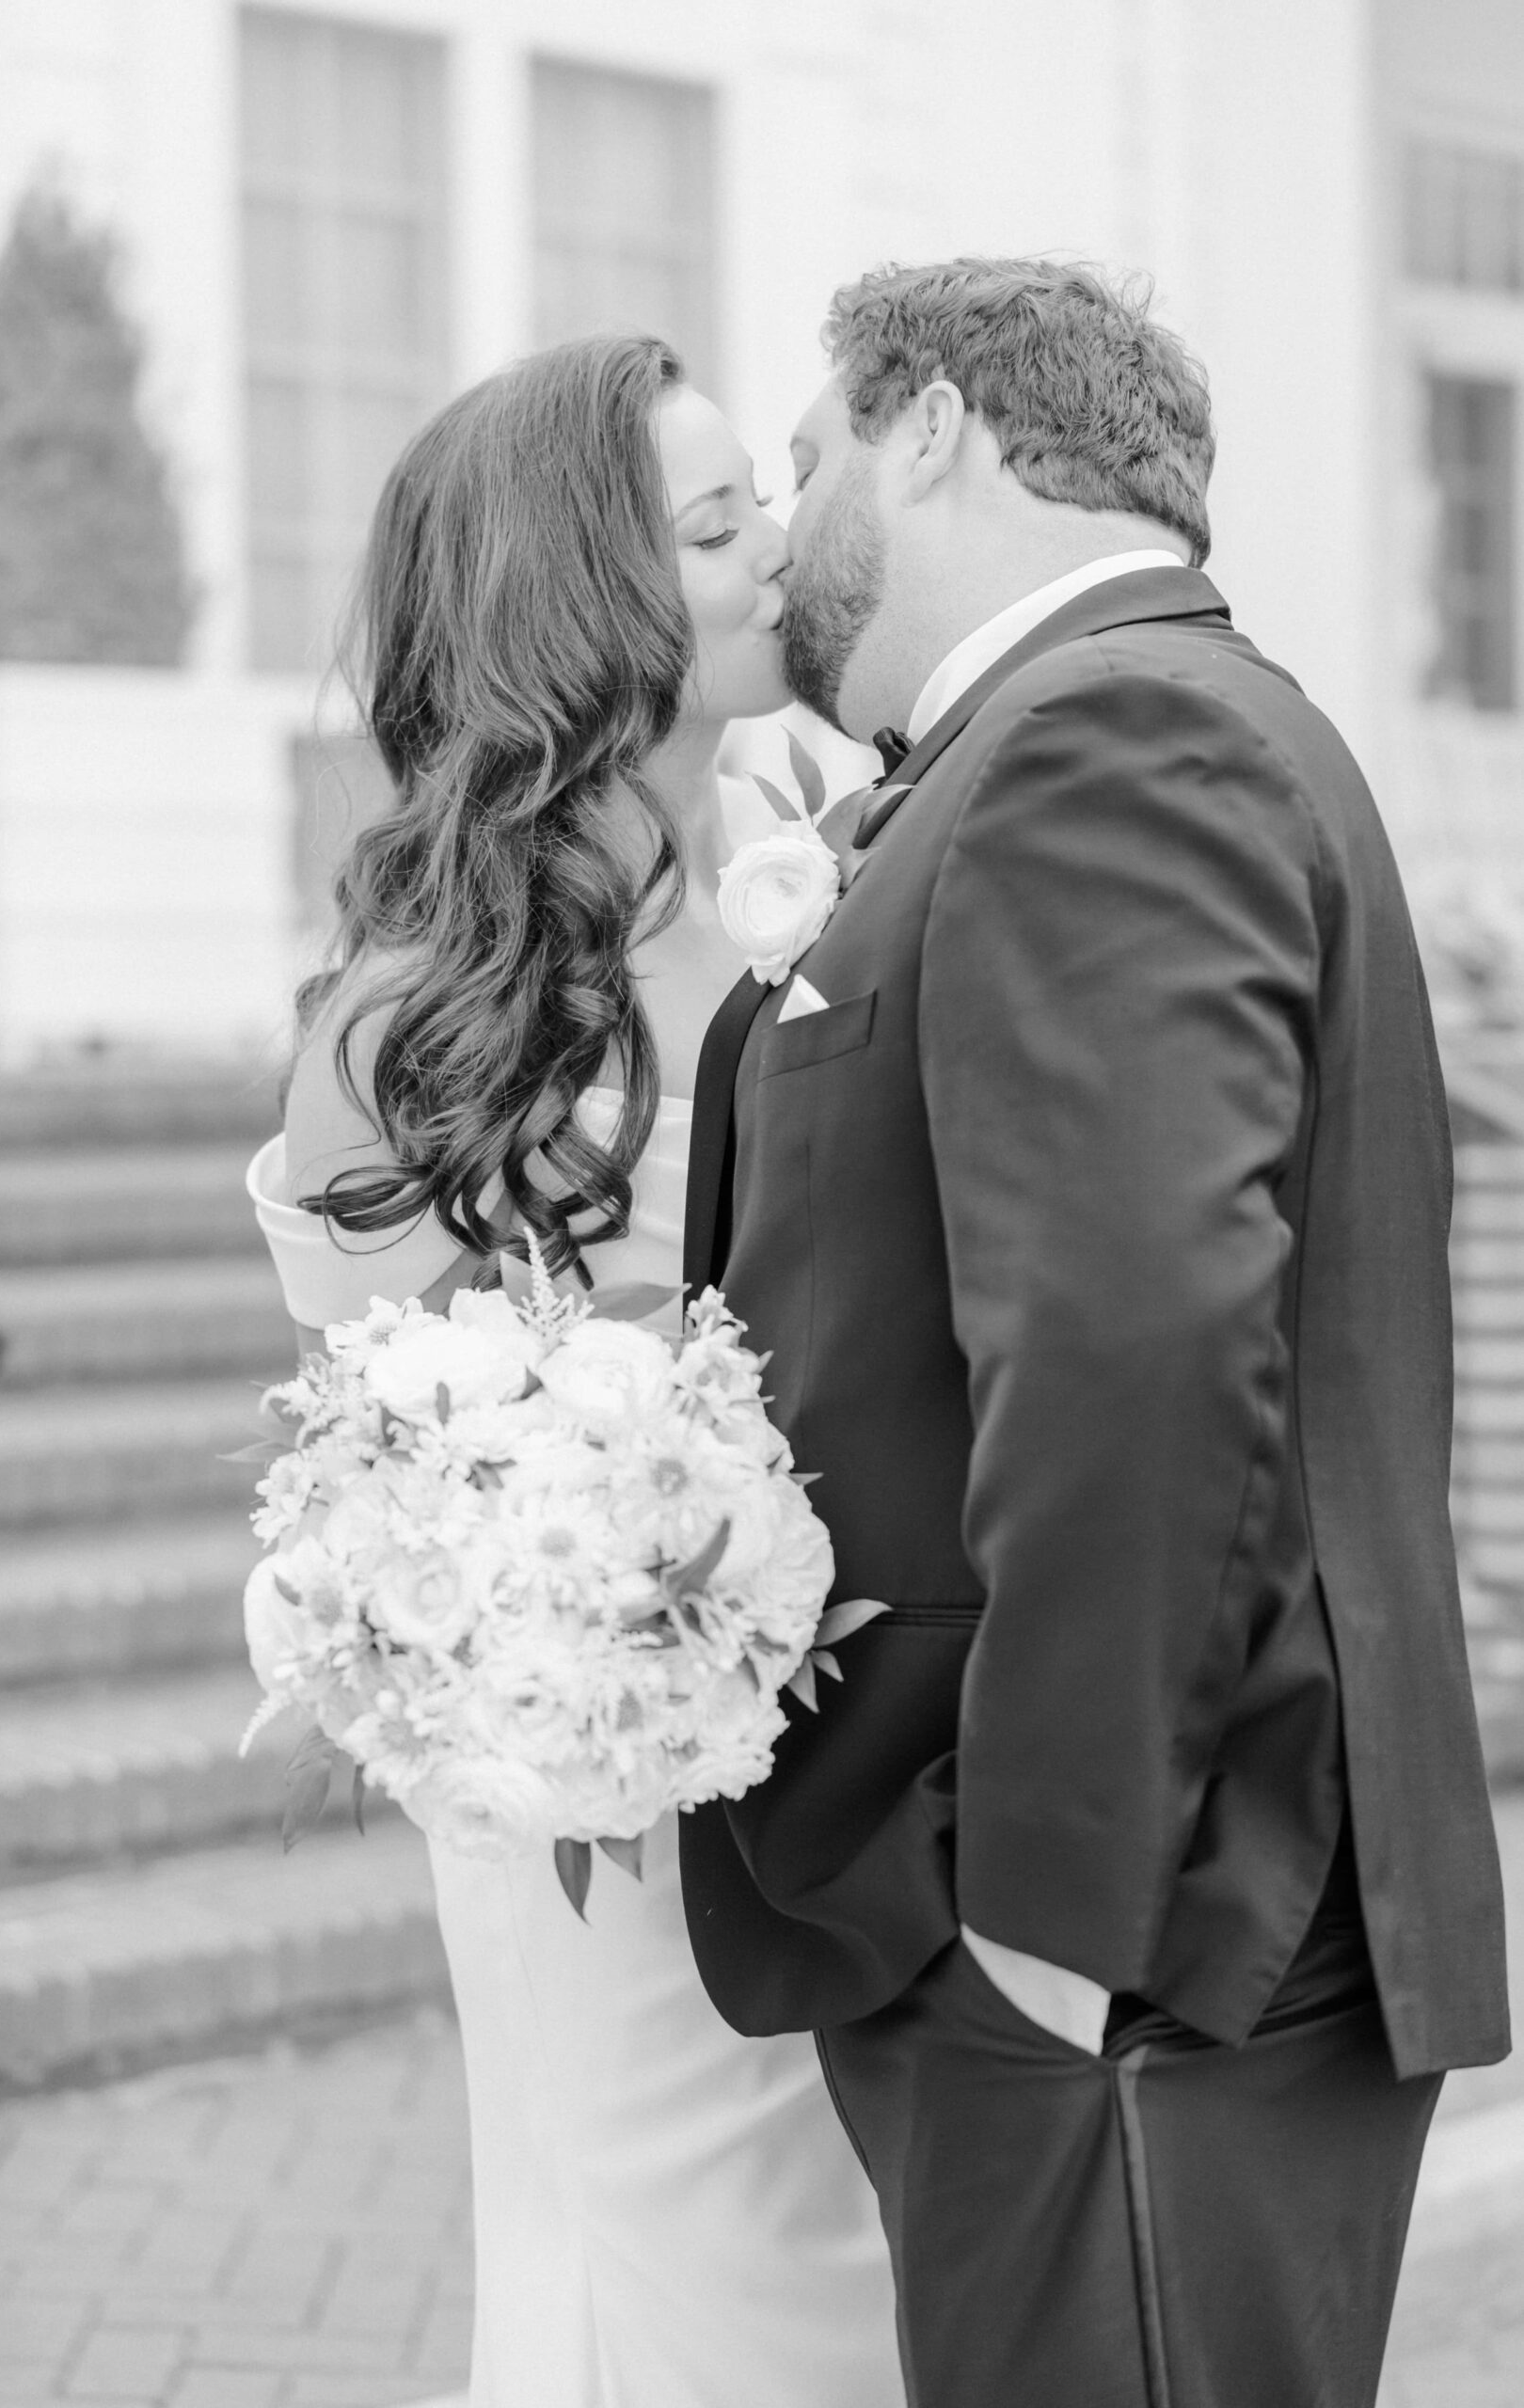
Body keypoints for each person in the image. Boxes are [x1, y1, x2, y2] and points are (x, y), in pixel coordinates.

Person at [678, 258, 1512, 2408]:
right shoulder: (1133, 723)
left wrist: (1051, 1926)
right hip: (1157, 1937)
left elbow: (1137, 1350)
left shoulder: (1107, 734)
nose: (787, 526)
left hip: (1134, 1949)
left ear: (933, 422)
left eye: (805, 459)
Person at [247, 334, 905, 2408]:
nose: (780, 551)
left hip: (855, 1747)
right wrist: (619, 1631)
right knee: (678, 2268)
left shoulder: (844, 880)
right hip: (595, 1780)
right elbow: (394, 1476)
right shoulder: (410, 1029)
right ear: (592, 607)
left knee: (841, 2268)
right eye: (716, 526)